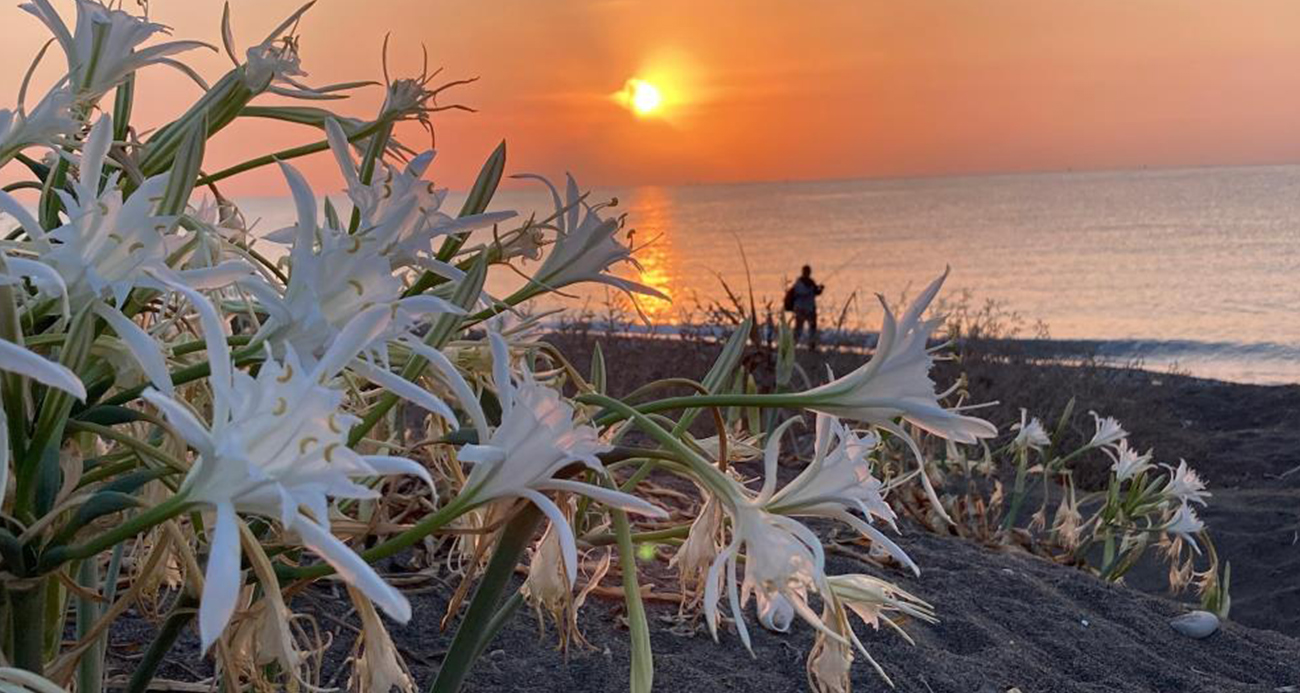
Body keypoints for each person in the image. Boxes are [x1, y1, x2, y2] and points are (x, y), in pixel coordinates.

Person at [786, 265, 824, 351]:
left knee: (799, 328)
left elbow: (815, 292)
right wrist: (820, 289)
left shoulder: (798, 283)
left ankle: (794, 344)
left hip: (800, 308)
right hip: (809, 309)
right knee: (811, 327)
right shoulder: (810, 282)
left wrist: (819, 289)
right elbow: (816, 292)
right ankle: (810, 345)